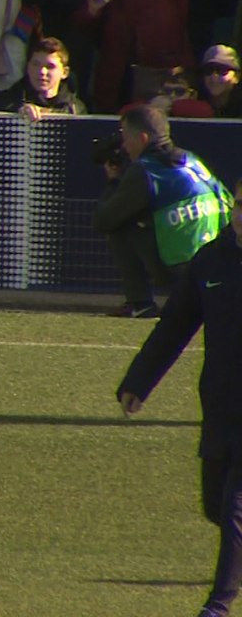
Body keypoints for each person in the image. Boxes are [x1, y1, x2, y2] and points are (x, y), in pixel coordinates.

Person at [115, 178, 242, 617]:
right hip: (221, 407)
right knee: (215, 504)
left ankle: (219, 605)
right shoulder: (212, 260)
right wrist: (138, 381)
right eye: (239, 205)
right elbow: (176, 324)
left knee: (235, 506)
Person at [94, 104, 231, 318]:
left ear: (143, 139)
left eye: (126, 138)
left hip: (184, 270)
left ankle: (139, 303)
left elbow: (103, 221)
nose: (124, 146)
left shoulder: (147, 171)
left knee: (121, 225)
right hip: (222, 264)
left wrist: (113, 182)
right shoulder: (191, 160)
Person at [0, 37, 87, 119]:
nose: (42, 71)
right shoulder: (8, 102)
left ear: (64, 72)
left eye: (50, 66)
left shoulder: (75, 109)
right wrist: (16, 113)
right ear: (27, 67)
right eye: (36, 64)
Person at [198, 44, 242, 118]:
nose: (214, 76)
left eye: (222, 70)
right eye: (209, 69)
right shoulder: (194, 104)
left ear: (237, 76)